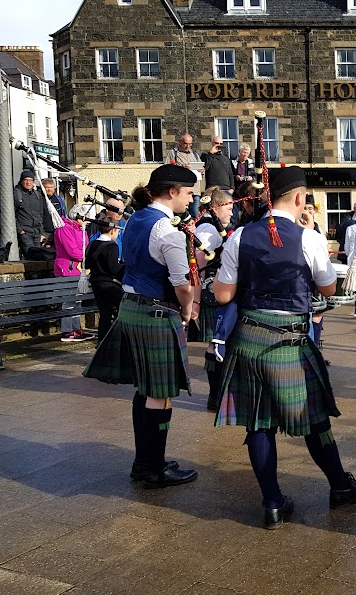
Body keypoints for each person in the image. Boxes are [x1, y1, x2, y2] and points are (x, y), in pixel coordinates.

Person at [213, 166, 356, 529]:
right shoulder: (309, 238)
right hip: (289, 338)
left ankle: (272, 502)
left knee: (258, 423)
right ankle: (339, 487)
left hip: (250, 337)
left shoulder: (239, 236)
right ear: (300, 199)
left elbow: (223, 294)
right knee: (314, 419)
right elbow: (329, 288)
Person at [83, 164, 200, 489]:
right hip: (157, 313)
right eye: (189, 193)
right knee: (160, 394)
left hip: (131, 307)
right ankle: (155, 468)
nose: (190, 200)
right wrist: (189, 313)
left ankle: (144, 462)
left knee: (145, 389)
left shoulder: (135, 220)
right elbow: (183, 285)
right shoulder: (167, 231)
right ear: (173, 191)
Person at [194, 187, 236, 410]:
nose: (231, 213)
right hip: (211, 294)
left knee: (218, 344)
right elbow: (199, 265)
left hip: (215, 291)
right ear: (217, 206)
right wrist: (196, 301)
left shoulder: (210, 226)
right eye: (228, 208)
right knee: (216, 344)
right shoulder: (209, 229)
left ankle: (218, 396)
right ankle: (216, 396)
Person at [56, 204, 95, 342]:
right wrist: (88, 257)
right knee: (69, 301)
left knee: (78, 301)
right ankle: (67, 330)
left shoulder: (81, 229)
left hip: (79, 269)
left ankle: (76, 328)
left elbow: (86, 247)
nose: (88, 222)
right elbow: (72, 251)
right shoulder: (64, 229)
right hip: (68, 269)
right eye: (86, 219)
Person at [87, 219, 125, 344]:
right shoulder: (112, 246)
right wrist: (123, 266)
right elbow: (113, 269)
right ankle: (119, 337)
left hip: (95, 282)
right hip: (108, 283)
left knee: (105, 313)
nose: (118, 234)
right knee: (123, 307)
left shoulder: (92, 244)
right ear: (113, 230)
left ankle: (102, 341)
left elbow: (87, 263)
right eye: (118, 232)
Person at [13, 170, 51, 254]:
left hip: (37, 232)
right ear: (21, 181)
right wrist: (20, 230)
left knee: (38, 257)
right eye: (26, 180)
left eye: (30, 180)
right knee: (29, 256)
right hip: (25, 232)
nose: (28, 182)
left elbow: (40, 214)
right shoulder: (16, 194)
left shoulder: (37, 195)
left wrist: (41, 232)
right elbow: (12, 214)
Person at [172, 133, 203, 217]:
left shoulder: (195, 155)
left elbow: (202, 171)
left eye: (190, 144)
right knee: (182, 215)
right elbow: (168, 170)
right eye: (186, 143)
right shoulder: (173, 154)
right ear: (180, 142)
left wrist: (201, 170)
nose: (188, 146)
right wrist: (181, 168)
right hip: (181, 190)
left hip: (195, 190)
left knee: (195, 215)